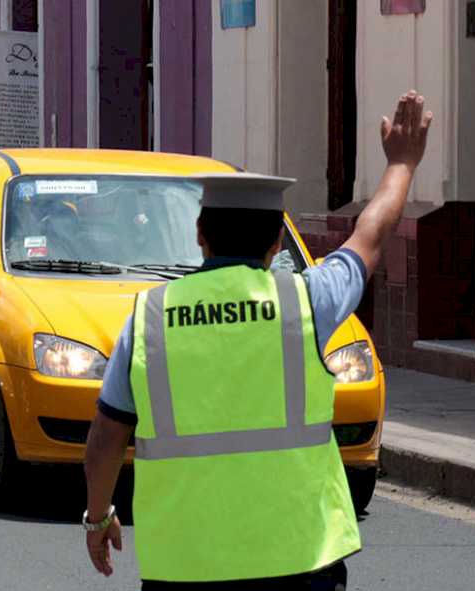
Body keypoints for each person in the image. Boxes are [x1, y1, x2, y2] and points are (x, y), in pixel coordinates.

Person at [82, 91, 433, 590]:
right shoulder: (308, 299)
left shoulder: (149, 317)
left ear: (200, 234)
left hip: (186, 567)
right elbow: (369, 237)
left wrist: (98, 518)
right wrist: (402, 163)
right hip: (300, 559)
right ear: (275, 245)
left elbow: (104, 441)